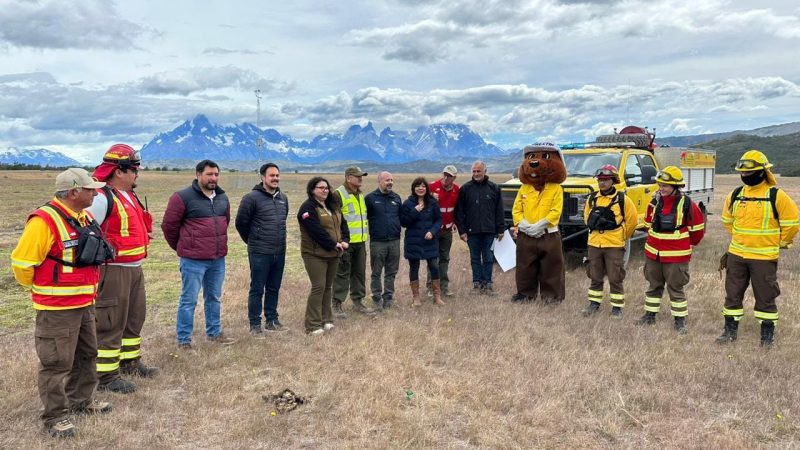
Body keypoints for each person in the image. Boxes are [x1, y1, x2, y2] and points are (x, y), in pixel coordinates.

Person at [11, 168, 113, 438]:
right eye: (90, 189)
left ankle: (81, 401)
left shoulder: (84, 217)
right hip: (56, 309)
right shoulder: (43, 221)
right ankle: (55, 415)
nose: (96, 192)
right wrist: (44, 290)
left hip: (84, 302)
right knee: (56, 363)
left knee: (87, 354)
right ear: (73, 192)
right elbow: (22, 264)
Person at [87, 144, 158, 395]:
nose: (137, 174)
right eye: (134, 170)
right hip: (113, 271)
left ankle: (130, 362)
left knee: (133, 319)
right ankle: (106, 375)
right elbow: (85, 230)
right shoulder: (100, 197)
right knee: (110, 322)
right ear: (119, 171)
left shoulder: (128, 194)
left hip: (134, 269)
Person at [717, 150, 799, 347]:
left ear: (762, 172)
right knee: (732, 294)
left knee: (766, 296)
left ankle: (767, 338)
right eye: (742, 173)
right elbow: (727, 221)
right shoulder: (735, 195)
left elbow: (792, 224)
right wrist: (739, 239)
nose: (745, 176)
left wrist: (779, 242)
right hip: (737, 255)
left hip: (763, 258)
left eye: (749, 173)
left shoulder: (776, 196)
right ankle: (729, 333)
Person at [161, 160, 234, 348]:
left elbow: (225, 221)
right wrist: (183, 247)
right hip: (193, 260)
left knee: (214, 297)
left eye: (216, 174)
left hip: (217, 259)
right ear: (198, 174)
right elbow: (169, 226)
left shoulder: (222, 197)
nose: (213, 178)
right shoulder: (182, 197)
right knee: (189, 300)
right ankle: (184, 340)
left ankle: (214, 333)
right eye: (209, 174)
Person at [634, 166, 705, 333]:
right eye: (660, 185)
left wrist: (684, 245)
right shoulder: (654, 202)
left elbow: (697, 230)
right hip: (653, 254)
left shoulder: (687, 204)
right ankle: (649, 316)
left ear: (676, 186)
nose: (661, 188)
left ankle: (680, 322)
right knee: (653, 285)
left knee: (675, 287)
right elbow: (647, 224)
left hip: (676, 255)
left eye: (665, 185)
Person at [236, 163, 289, 336]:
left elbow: (283, 220)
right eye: (271, 175)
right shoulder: (251, 198)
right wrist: (253, 241)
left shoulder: (283, 198)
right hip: (259, 252)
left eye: (277, 175)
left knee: (274, 287)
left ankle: (272, 320)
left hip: (279, 251)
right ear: (262, 178)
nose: (275, 178)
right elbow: (241, 224)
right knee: (257, 288)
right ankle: (255, 324)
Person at [510, 143, 568, 304]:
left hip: (547, 235)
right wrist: (524, 225)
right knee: (525, 266)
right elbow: (516, 210)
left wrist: (540, 225)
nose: (534, 162)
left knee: (551, 267)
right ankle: (525, 294)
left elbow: (555, 212)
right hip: (526, 235)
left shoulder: (556, 189)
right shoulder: (524, 189)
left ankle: (552, 297)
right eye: (531, 157)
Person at [581, 165, 638, 317]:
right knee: (595, 276)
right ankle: (594, 304)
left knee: (615, 277)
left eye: (605, 180)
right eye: (600, 180)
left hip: (614, 245)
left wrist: (622, 236)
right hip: (594, 244)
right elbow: (586, 217)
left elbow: (632, 221)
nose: (602, 183)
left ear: (613, 181)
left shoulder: (622, 199)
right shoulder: (592, 198)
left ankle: (617, 308)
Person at [297, 177, 350, 335]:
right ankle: (312, 325)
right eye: (320, 188)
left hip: (333, 253)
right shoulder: (307, 208)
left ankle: (326, 319)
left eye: (326, 187)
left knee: (328, 287)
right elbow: (316, 232)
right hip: (315, 254)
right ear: (312, 190)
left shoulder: (332, 205)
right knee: (318, 287)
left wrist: (346, 240)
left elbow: (343, 225)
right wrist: (333, 244)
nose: (325, 190)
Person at [455, 161, 505, 295]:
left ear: (485, 171)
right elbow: (459, 212)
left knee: (488, 258)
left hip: (489, 231)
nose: (476, 174)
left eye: (479, 171)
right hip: (472, 232)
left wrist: (500, 229)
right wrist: (462, 231)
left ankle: (487, 285)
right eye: (474, 171)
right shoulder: (465, 189)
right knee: (475, 258)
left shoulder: (494, 188)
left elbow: (499, 210)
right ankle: (477, 284)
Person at [331, 166, 374, 316]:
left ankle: (358, 301)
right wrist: (340, 240)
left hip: (360, 242)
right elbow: (333, 219)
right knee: (342, 273)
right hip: (346, 242)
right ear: (348, 178)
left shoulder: (360, 194)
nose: (360, 178)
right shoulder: (338, 194)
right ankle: (336, 303)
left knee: (359, 272)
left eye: (361, 176)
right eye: (357, 176)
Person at [400, 177, 443, 306]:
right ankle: (416, 298)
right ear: (414, 188)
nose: (421, 188)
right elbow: (403, 222)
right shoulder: (408, 203)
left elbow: (438, 220)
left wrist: (432, 231)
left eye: (423, 186)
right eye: (418, 186)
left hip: (430, 241)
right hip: (414, 241)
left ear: (426, 188)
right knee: (414, 268)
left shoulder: (433, 202)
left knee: (434, 266)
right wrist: (415, 211)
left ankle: (437, 297)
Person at [364, 171, 402, 311]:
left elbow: (402, 218)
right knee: (376, 271)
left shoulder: (396, 198)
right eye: (387, 180)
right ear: (379, 181)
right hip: (378, 242)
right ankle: (377, 297)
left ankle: (388, 298)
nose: (390, 182)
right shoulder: (370, 198)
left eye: (391, 180)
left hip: (394, 241)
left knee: (391, 272)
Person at [427, 165, 460, 298]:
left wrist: (455, 223)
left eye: (450, 175)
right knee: (432, 258)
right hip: (434, 230)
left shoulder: (457, 189)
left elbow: (457, 208)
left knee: (444, 259)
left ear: (454, 177)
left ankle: (444, 287)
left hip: (447, 230)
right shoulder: (432, 187)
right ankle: (431, 287)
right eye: (445, 174)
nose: (446, 177)